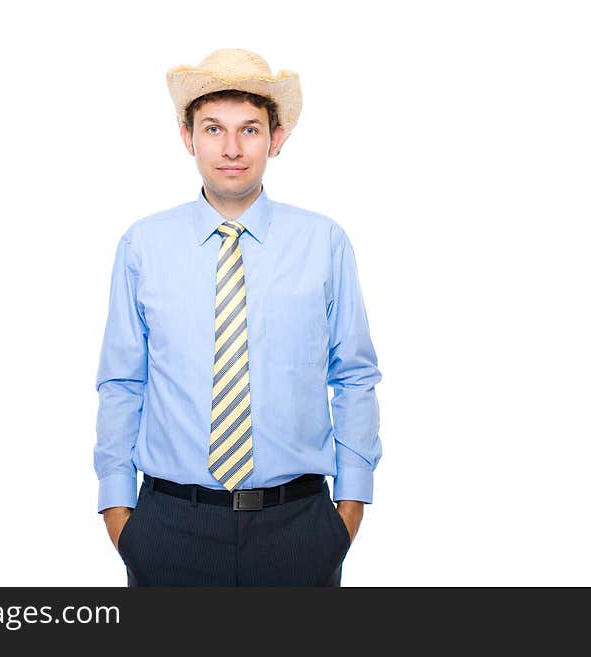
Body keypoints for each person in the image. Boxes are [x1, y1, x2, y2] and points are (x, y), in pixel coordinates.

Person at [93, 48, 382, 586]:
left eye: (249, 129)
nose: (231, 148)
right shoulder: (143, 246)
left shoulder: (324, 244)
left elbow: (354, 376)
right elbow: (122, 382)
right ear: (188, 137)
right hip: (169, 529)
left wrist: (348, 511)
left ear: (276, 138)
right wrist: (119, 515)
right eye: (213, 129)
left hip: (298, 529)